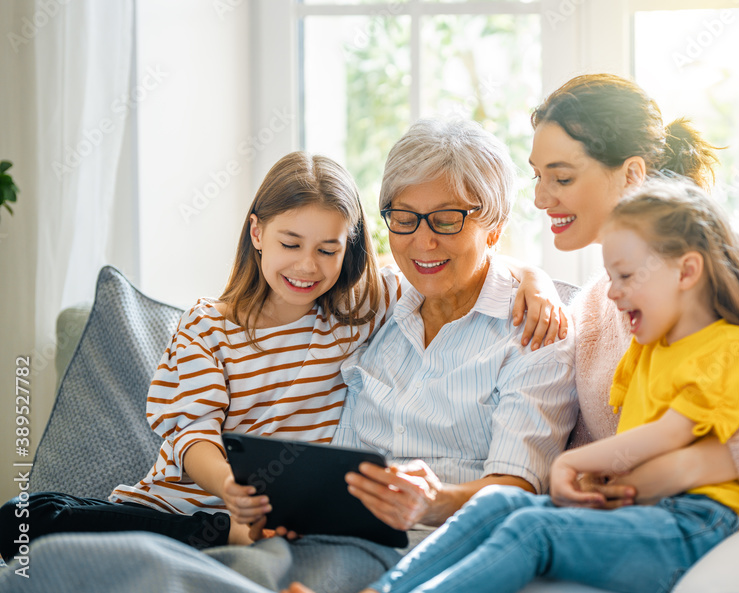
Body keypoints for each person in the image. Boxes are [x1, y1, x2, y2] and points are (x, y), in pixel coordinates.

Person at [0, 120, 577, 593]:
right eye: (404, 219)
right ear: (257, 234)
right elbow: (190, 428)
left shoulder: (509, 328)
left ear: (495, 226)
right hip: (228, 517)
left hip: (362, 539)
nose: (423, 242)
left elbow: (516, 485)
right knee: (30, 521)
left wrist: (535, 281)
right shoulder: (374, 301)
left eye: (448, 219)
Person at [317, 177, 739, 593]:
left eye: (626, 277)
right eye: (610, 277)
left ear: (687, 273)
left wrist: (567, 468)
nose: (611, 293)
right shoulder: (648, 345)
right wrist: (530, 275)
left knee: (532, 530)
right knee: (495, 508)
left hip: (693, 520)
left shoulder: (730, 346)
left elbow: (669, 434)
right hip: (637, 510)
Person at [528, 73, 739, 592]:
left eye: (561, 177)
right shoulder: (595, 304)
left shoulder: (727, 255)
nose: (539, 198)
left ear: (631, 173)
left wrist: (695, 465)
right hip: (662, 523)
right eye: (536, 176)